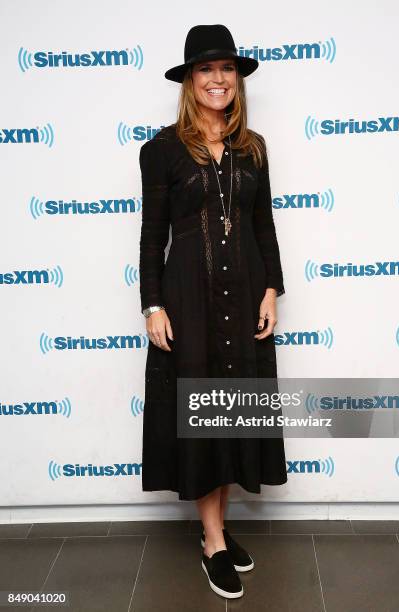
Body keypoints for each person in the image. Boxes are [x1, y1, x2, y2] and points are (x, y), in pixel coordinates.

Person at [139, 24, 288, 599]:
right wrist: (152, 303)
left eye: (226, 69)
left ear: (237, 79)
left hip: (245, 289)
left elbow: (263, 224)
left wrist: (271, 288)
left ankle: (217, 528)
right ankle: (213, 541)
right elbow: (153, 235)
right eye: (206, 70)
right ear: (189, 81)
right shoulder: (162, 150)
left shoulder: (253, 148)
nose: (217, 79)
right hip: (190, 300)